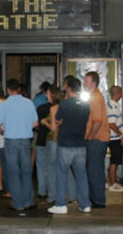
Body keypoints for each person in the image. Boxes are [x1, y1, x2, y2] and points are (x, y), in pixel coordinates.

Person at [47, 77, 91, 214]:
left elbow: (58, 120)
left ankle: (61, 204)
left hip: (66, 144)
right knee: (81, 175)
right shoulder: (86, 104)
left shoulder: (65, 104)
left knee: (61, 174)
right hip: (80, 145)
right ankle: (85, 204)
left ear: (69, 88)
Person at [0, 79, 38, 212]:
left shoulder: (4, 104)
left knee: (13, 172)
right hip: (25, 140)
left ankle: (17, 204)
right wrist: (25, 127)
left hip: (10, 141)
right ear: (18, 89)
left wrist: (4, 131)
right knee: (26, 171)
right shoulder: (28, 103)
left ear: (8, 90)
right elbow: (35, 124)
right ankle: (28, 202)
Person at [83, 71, 109, 208]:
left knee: (95, 171)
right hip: (98, 138)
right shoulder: (95, 96)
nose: (83, 83)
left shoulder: (95, 97)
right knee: (94, 170)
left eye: (86, 81)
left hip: (97, 139)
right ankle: (96, 198)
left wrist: (90, 136)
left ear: (94, 83)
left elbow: (97, 121)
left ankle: (98, 200)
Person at [106, 85, 123, 192]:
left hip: (112, 137)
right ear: (117, 94)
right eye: (120, 93)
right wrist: (121, 135)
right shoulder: (113, 106)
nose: (121, 95)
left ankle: (110, 181)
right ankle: (113, 184)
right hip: (115, 138)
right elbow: (111, 124)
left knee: (113, 160)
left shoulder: (110, 104)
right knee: (114, 161)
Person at [34, 88, 52, 199]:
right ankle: (51, 190)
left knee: (40, 166)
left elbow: (35, 124)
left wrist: (38, 128)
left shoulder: (41, 108)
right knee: (51, 166)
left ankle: (41, 191)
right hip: (52, 140)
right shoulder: (58, 108)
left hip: (41, 139)